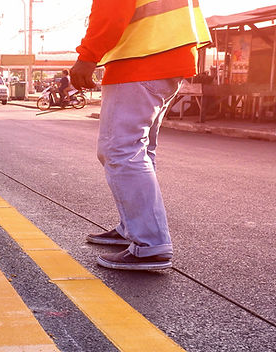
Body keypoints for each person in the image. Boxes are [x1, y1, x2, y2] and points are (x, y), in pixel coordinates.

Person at [70, 0, 211, 270]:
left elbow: (111, 10)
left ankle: (150, 242)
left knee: (120, 150)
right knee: (140, 149)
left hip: (140, 61)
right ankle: (132, 228)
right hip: (168, 58)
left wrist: (87, 56)